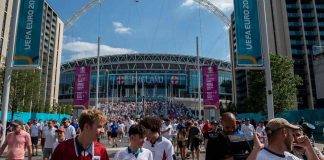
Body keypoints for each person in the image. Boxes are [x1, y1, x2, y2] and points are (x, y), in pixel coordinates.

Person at [255, 118, 320, 160]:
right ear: (284, 132)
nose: (294, 139)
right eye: (292, 134)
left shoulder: (288, 156)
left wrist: (308, 146)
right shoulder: (261, 157)